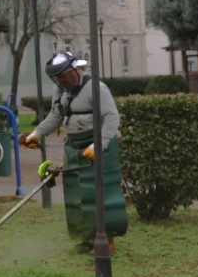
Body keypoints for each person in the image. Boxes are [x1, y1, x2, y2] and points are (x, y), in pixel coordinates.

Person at [20, 51, 127, 254]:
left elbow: (112, 118)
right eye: (56, 77)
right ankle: (87, 238)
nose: (60, 80)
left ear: (76, 69)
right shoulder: (59, 90)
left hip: (98, 145)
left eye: (63, 75)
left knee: (102, 194)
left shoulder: (96, 88)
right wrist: (36, 134)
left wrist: (99, 145)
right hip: (74, 147)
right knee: (78, 194)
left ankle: (108, 241)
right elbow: (55, 116)